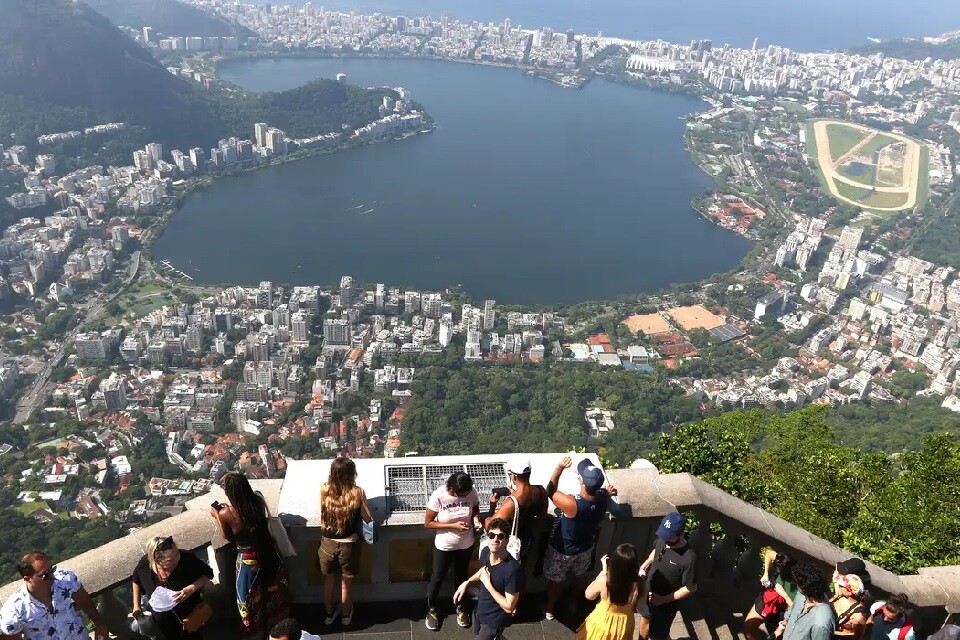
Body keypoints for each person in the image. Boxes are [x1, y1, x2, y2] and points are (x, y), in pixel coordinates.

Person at [211, 471, 290, 637]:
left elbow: (228, 536)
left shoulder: (227, 513)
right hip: (267, 548)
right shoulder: (258, 500)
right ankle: (277, 625)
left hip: (248, 557)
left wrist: (217, 515)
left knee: (247, 595)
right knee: (271, 586)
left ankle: (255, 631)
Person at [543, 456, 618, 621]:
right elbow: (606, 492)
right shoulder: (602, 498)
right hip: (585, 548)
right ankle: (574, 602)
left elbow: (550, 490)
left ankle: (549, 608)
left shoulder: (572, 504)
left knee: (556, 581)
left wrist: (559, 468)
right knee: (580, 578)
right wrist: (608, 491)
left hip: (563, 550)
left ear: (582, 483)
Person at [0, 550, 110, 640]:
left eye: (52, 570)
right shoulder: (14, 610)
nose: (52, 576)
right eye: (45, 575)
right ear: (28, 579)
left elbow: (86, 603)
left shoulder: (65, 579)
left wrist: (100, 625)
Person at [318, 456, 373, 627]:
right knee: (345, 585)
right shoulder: (357, 492)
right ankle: (346, 615)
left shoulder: (324, 489)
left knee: (328, 582)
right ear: (351, 473)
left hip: (327, 543)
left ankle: (329, 614)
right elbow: (367, 518)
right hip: (348, 544)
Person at [424, 471, 481, 631]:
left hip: (466, 543)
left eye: (466, 494)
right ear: (451, 489)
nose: (464, 497)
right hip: (445, 545)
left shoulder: (471, 491)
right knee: (438, 577)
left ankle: (461, 608)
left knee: (461, 577)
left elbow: (475, 507)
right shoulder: (439, 496)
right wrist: (453, 526)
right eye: (461, 494)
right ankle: (432, 609)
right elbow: (428, 523)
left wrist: (476, 520)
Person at [131, 536, 214, 640]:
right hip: (163, 627)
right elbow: (136, 580)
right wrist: (136, 606)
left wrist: (191, 588)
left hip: (190, 620)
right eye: (171, 559)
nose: (177, 559)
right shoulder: (145, 565)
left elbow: (208, 574)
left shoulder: (186, 559)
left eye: (177, 554)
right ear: (157, 561)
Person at [453, 518, 520, 640]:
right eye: (491, 535)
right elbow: (483, 572)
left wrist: (488, 585)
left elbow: (509, 607)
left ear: (507, 540)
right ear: (487, 537)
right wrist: (466, 583)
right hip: (480, 609)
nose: (495, 539)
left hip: (495, 620)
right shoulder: (485, 552)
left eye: (500, 536)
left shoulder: (512, 569)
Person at [637, 513, 698, 640]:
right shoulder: (662, 539)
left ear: (680, 535)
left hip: (666, 606)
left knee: (658, 635)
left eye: (669, 537)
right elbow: (656, 551)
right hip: (649, 592)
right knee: (644, 620)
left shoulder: (688, 558)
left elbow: (689, 588)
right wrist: (644, 565)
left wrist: (662, 599)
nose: (664, 539)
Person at [483, 458, 548, 571]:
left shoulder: (512, 502)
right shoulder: (541, 490)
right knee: (521, 572)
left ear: (515, 477)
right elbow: (542, 514)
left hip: (513, 544)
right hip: (530, 539)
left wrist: (492, 507)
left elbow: (491, 526)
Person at [576, 543, 640, 640]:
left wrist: (603, 572)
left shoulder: (604, 581)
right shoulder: (638, 582)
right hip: (624, 627)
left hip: (603, 624)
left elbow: (589, 595)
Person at [744, 550, 796, 640]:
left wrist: (784, 595)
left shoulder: (799, 580)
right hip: (769, 600)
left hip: (784, 612)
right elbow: (768, 553)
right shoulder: (782, 560)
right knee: (748, 627)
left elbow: (796, 609)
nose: (778, 572)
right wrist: (766, 574)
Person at [778, 562, 835, 640]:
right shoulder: (801, 595)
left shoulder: (822, 623)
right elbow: (791, 612)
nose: (796, 587)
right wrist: (780, 628)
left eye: (797, 585)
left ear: (804, 588)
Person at [830, 573, 870, 640]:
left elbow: (856, 637)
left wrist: (833, 632)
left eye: (841, 585)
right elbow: (836, 578)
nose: (839, 586)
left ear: (849, 592)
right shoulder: (841, 596)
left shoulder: (858, 616)